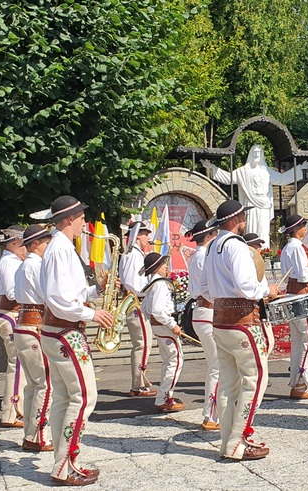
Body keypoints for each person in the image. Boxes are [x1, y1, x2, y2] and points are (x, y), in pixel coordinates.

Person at [39, 195, 114, 486]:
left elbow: (70, 293)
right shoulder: (60, 248)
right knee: (84, 397)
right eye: (82, 217)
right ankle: (66, 463)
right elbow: (60, 300)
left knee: (64, 398)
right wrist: (92, 314)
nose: (85, 222)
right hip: (65, 332)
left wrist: (97, 290)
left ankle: (63, 463)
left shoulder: (61, 247)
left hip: (57, 331)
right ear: (69, 219)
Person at [205, 200, 277, 461]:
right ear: (236, 220)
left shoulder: (212, 246)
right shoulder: (236, 246)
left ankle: (228, 441)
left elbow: (203, 289)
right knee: (254, 380)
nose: (245, 219)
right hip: (243, 322)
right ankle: (238, 441)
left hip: (220, 320)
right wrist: (268, 290)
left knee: (227, 384)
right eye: (243, 216)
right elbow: (246, 286)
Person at [202, 145, 308, 249]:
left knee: (263, 230)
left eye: (259, 152)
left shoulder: (266, 171)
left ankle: (264, 252)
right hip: (251, 203)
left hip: (264, 204)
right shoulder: (243, 171)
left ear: (262, 154)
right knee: (251, 228)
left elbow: (281, 179)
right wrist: (212, 168)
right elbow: (228, 178)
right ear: (251, 154)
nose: (257, 154)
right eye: (254, 152)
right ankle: (251, 251)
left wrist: (300, 169)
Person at [12, 224, 54, 452]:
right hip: (35, 327)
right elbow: (50, 296)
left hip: (24, 326)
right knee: (45, 385)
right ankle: (38, 436)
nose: (49, 246)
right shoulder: (36, 266)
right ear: (36, 244)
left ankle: (30, 433)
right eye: (46, 242)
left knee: (33, 385)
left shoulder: (22, 266)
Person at [279, 214, 308, 399]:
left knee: (298, 341)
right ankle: (301, 383)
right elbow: (303, 275)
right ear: (297, 229)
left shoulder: (287, 248)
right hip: (300, 297)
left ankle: (296, 381)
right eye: (303, 226)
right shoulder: (296, 248)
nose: (305, 229)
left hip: (292, 294)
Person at [185, 219, 220, 430]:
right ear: (208, 236)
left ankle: (214, 413)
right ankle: (211, 415)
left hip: (202, 312)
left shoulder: (198, 256)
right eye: (214, 235)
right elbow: (210, 288)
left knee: (216, 365)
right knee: (218, 366)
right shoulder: (203, 257)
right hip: (208, 311)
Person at [140, 252, 186, 412]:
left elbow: (145, 308)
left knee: (169, 361)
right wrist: (172, 324)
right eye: (163, 264)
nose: (166, 267)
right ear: (157, 267)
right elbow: (157, 310)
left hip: (159, 326)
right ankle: (164, 397)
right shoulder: (160, 284)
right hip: (164, 326)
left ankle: (164, 395)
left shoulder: (152, 284)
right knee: (175, 360)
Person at [0, 225, 28, 428]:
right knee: (17, 362)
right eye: (24, 243)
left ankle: (15, 409)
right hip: (10, 314)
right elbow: (13, 293)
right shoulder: (10, 262)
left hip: (12, 314)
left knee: (20, 361)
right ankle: (12, 411)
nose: (27, 248)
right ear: (15, 243)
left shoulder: (12, 261)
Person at [119, 220, 157, 397]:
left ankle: (140, 383)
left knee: (143, 344)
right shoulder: (133, 255)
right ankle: (138, 385)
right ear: (138, 236)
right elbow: (133, 283)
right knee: (142, 344)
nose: (148, 237)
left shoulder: (134, 254)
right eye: (145, 234)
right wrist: (151, 289)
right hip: (136, 302)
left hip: (137, 302)